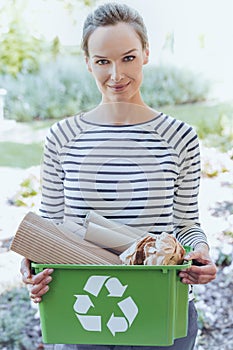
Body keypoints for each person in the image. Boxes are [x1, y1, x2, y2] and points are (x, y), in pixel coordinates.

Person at [20, 2, 217, 350]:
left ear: (145, 53)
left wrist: (199, 251)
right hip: (82, 307)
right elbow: (50, 224)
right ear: (87, 62)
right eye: (102, 61)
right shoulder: (63, 137)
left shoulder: (179, 137)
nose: (115, 75)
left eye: (127, 58)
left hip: (160, 304)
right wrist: (32, 268)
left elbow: (186, 223)